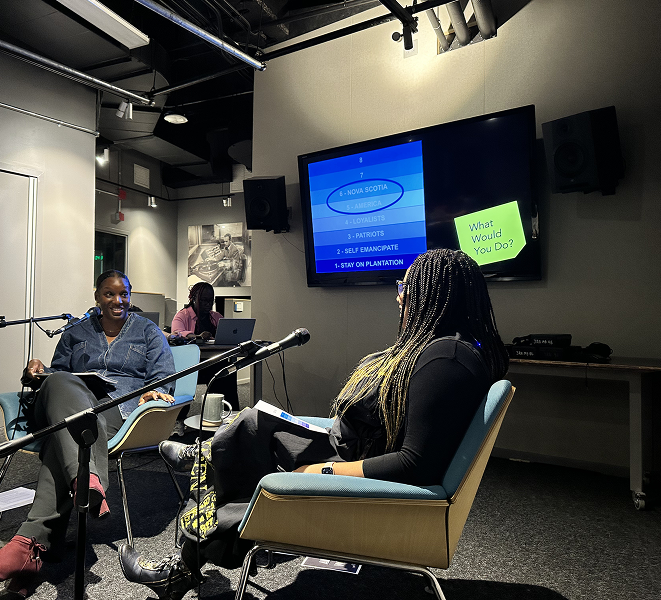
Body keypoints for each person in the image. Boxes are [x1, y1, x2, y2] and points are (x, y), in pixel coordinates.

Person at [118, 249, 509, 600]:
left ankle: (189, 555)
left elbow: (415, 464)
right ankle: (202, 508)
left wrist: (324, 469)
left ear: (432, 292)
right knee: (249, 425)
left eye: (406, 284)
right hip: (351, 445)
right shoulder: (446, 351)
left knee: (240, 446)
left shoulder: (446, 360)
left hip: (356, 465)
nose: (399, 294)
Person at [0, 270, 176, 596]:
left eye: (124, 294)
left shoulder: (147, 332)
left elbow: (164, 379)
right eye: (109, 294)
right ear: (97, 296)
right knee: (61, 383)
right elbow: (55, 373)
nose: (118, 301)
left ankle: (30, 550)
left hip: (117, 412)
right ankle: (85, 480)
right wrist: (38, 372)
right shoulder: (76, 330)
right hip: (73, 404)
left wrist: (149, 394)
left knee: (59, 444)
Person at [171, 282, 240, 411]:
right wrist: (196, 336)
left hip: (212, 362)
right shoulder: (182, 315)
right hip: (191, 365)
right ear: (193, 298)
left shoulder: (216, 317)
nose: (208, 304)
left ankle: (229, 414)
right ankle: (179, 421)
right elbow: (176, 333)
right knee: (182, 378)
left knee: (228, 372)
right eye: (204, 300)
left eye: (210, 300)